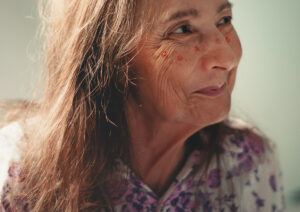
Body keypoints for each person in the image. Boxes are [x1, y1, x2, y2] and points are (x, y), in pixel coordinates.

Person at [0, 0, 286, 211]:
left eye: (224, 19)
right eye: (183, 29)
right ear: (108, 58)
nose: (228, 56)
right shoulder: (22, 170)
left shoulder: (250, 161)